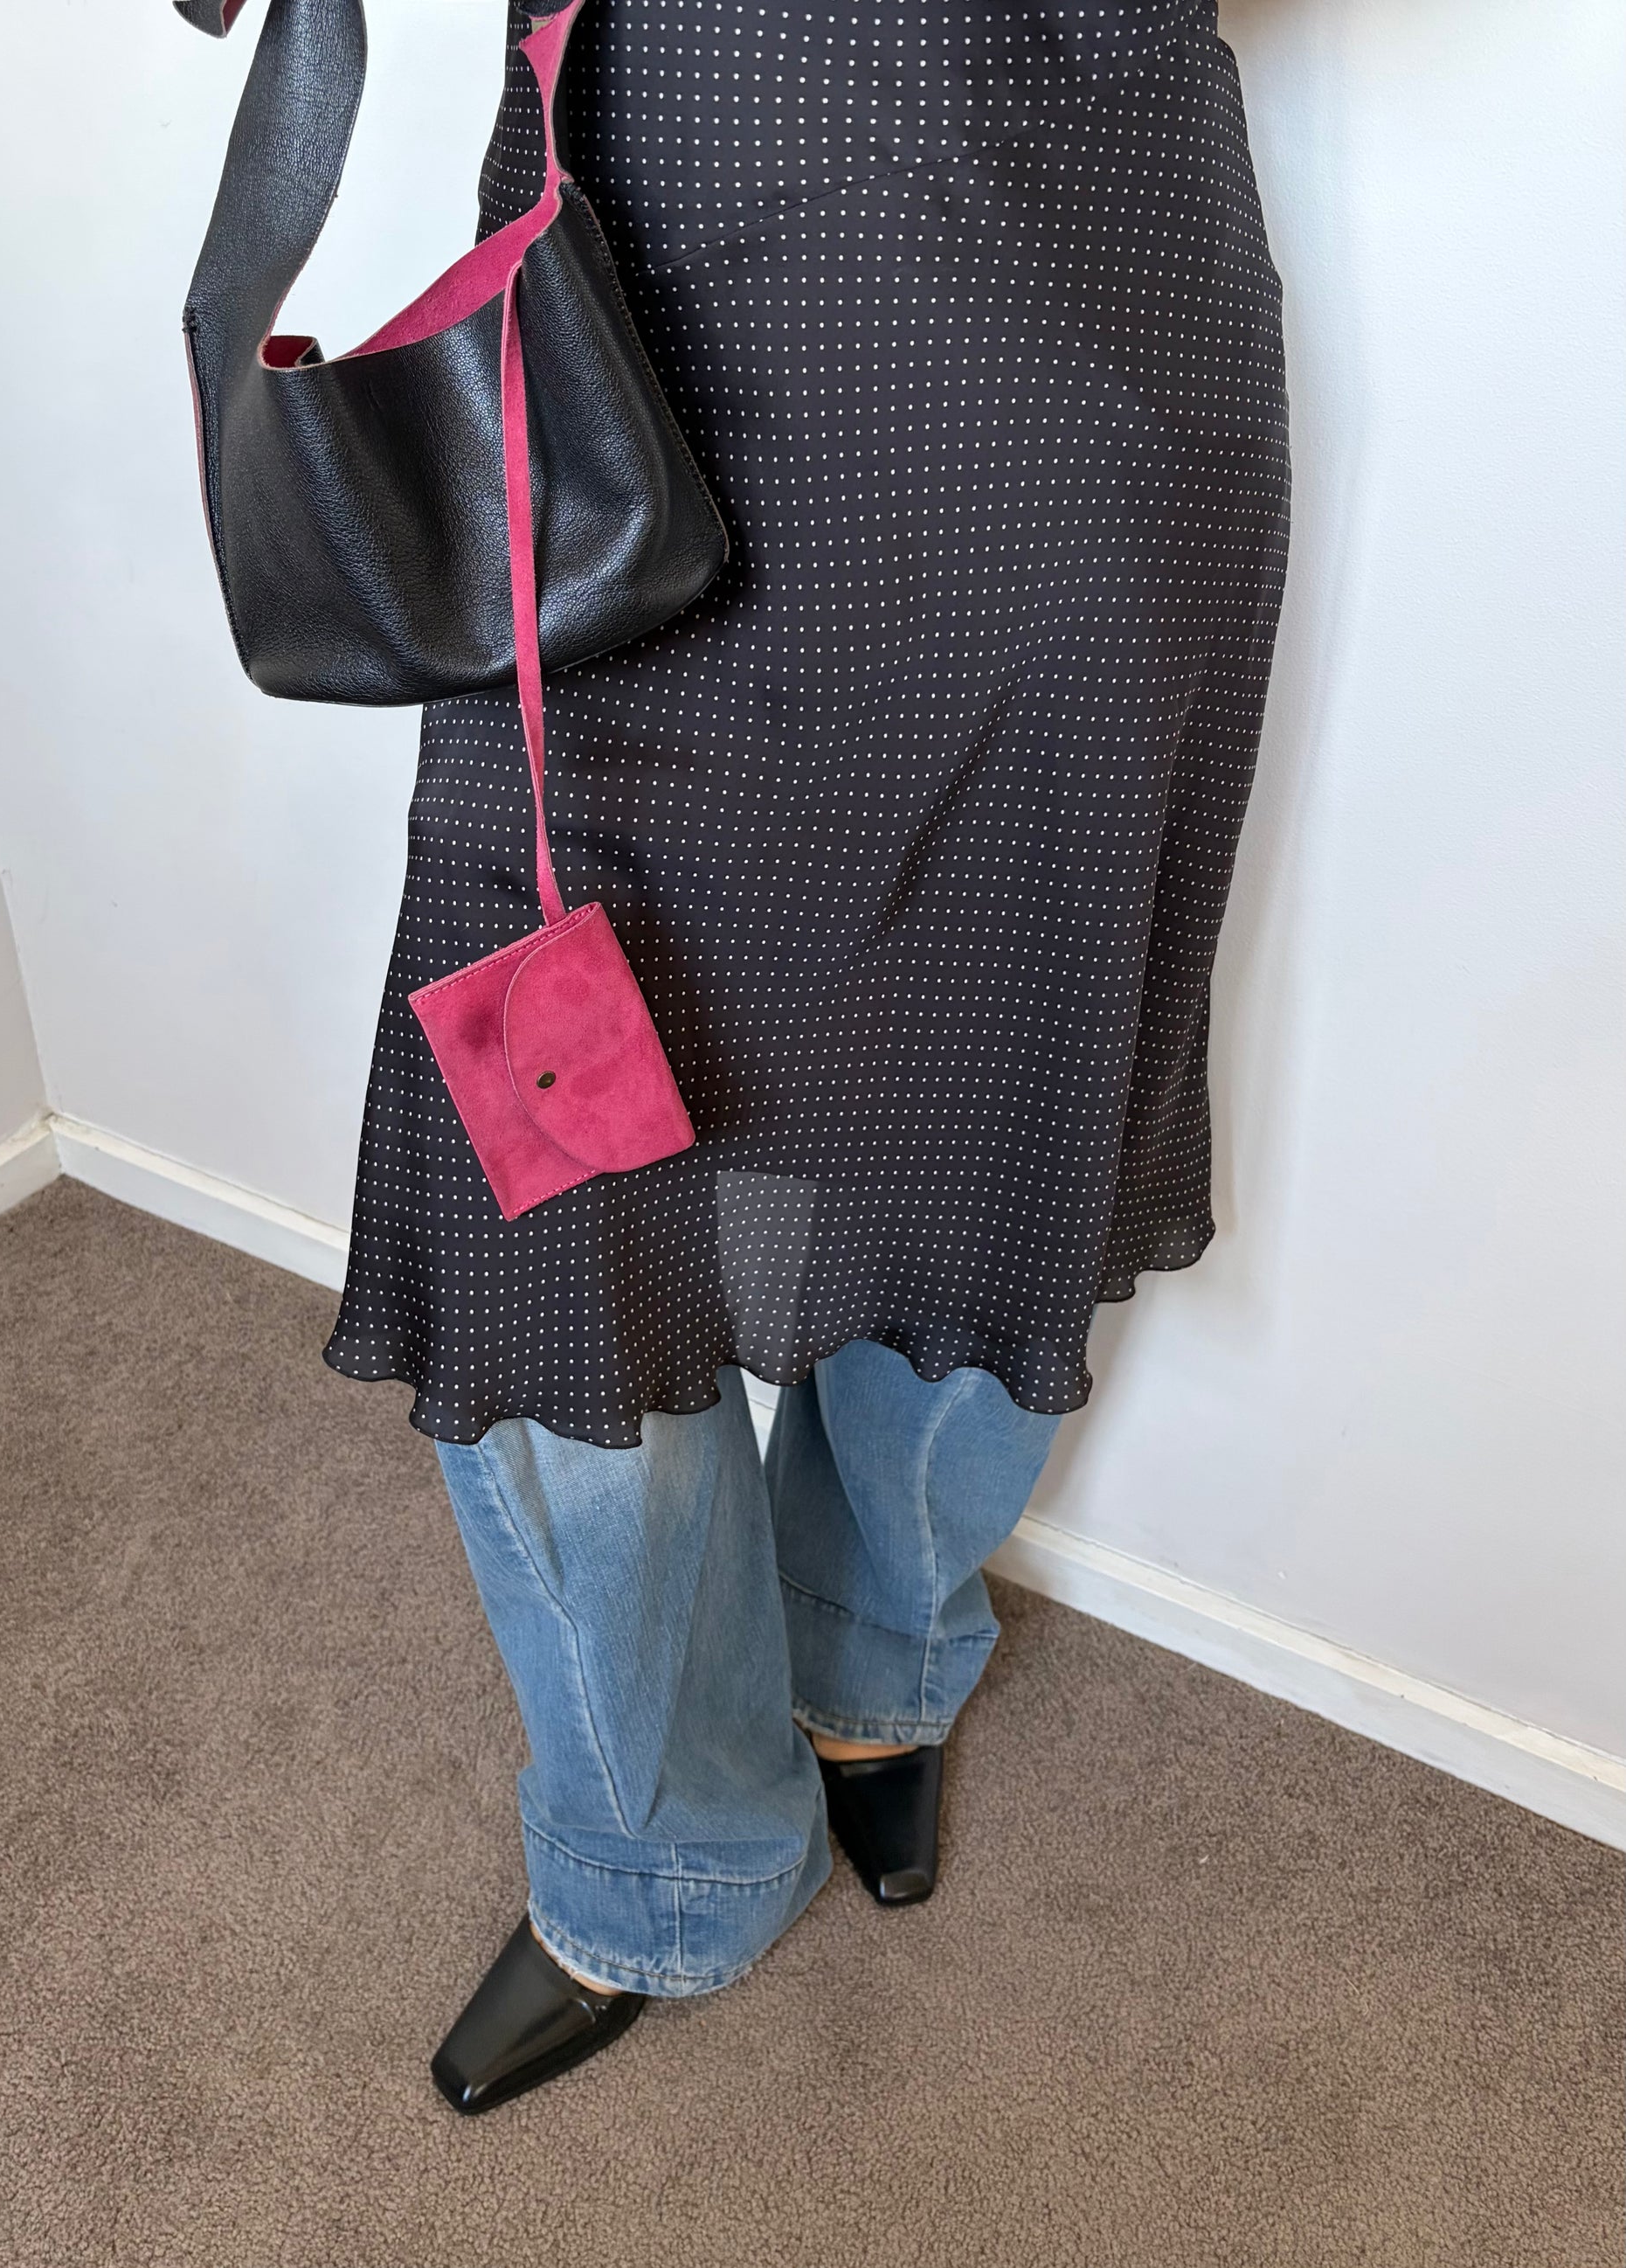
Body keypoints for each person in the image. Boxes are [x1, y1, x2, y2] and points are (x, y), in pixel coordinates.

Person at [323, 0, 1289, 2112]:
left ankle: (877, 1657)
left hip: (1064, 354)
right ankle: (665, 1845)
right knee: (547, 1174)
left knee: (996, 1103)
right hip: (619, 364)